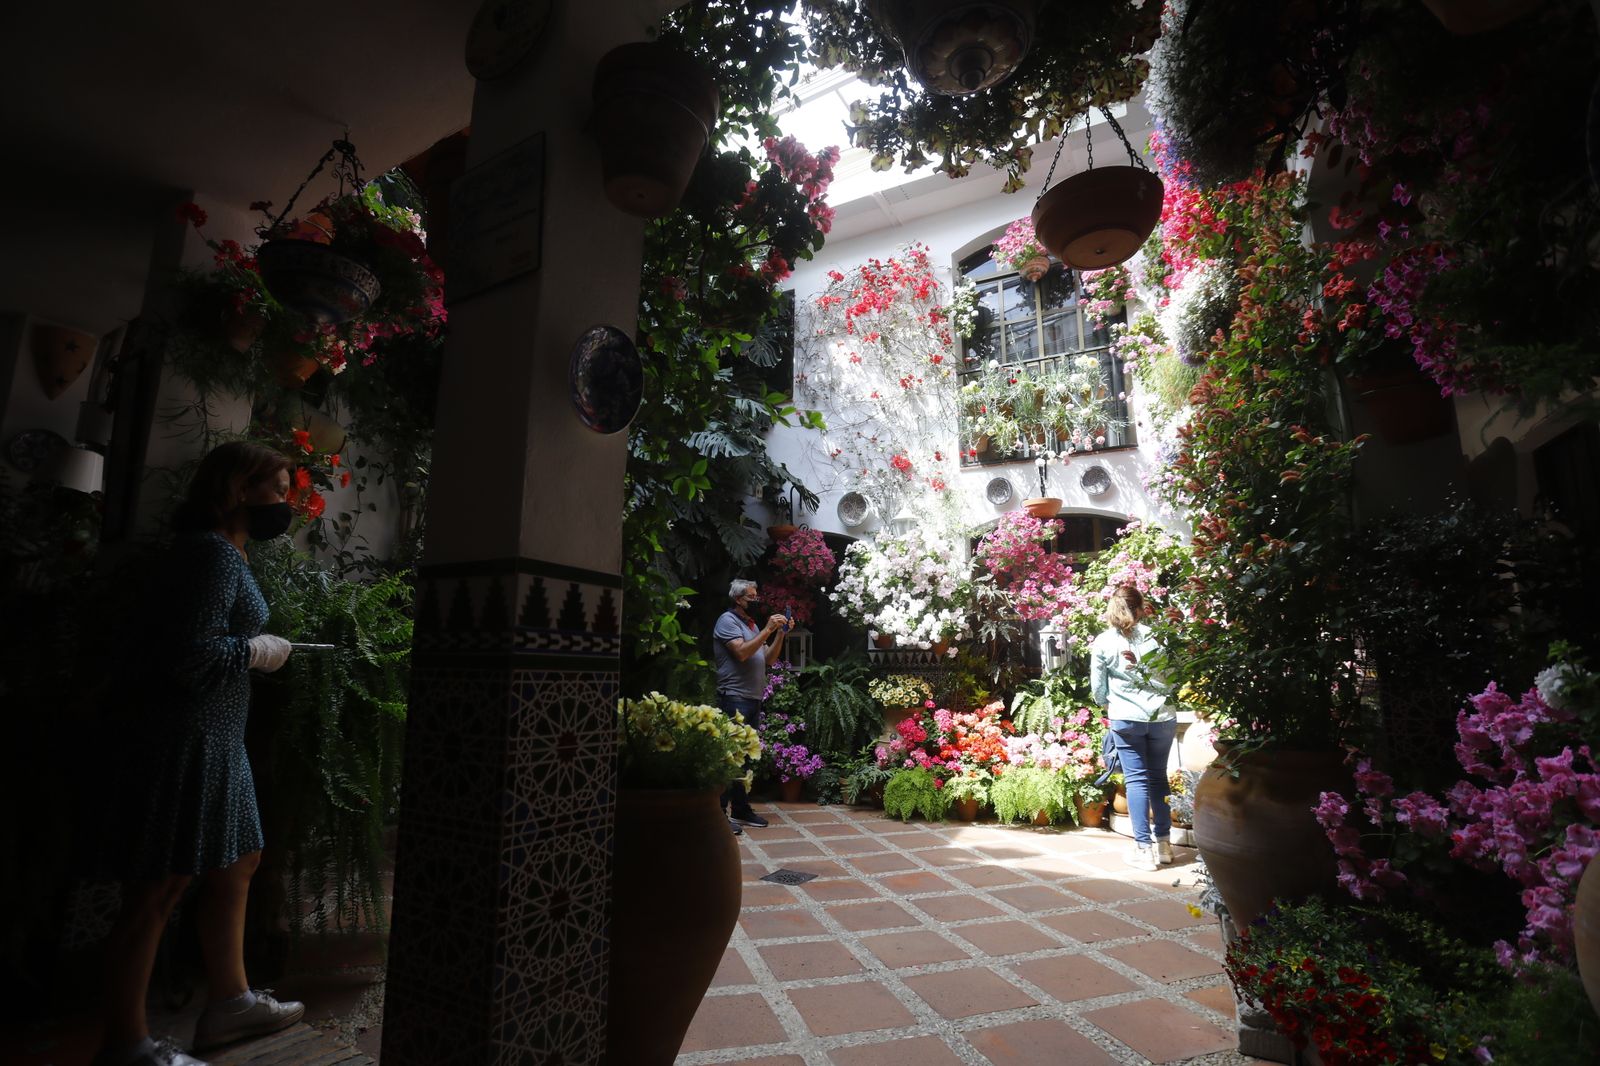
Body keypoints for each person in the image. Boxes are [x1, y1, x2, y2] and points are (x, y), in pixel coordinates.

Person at [92, 442, 307, 1066]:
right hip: (186, 737)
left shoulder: (225, 551)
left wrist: (251, 650)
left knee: (240, 859)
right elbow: (188, 655)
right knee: (159, 888)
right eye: (279, 487)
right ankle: (124, 1044)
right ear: (239, 488)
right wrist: (256, 651)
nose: (285, 502)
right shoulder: (209, 556)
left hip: (219, 735)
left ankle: (231, 1004)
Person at [1090, 584, 1177, 873]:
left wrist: (1108, 704)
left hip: (1126, 718)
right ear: (1140, 609)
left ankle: (1144, 850)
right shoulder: (1155, 637)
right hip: (1162, 716)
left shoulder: (1103, 642)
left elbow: (1097, 689)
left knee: (1137, 780)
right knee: (1158, 778)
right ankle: (1164, 845)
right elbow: (1173, 675)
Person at [713, 578, 789, 834]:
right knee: (730, 757)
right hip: (733, 697)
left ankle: (742, 809)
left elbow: (768, 659)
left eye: (757, 597)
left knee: (745, 758)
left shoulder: (751, 624)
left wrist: (780, 633)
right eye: (751, 598)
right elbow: (742, 653)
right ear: (738, 599)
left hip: (752, 698)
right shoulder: (727, 621)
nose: (756, 602)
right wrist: (767, 630)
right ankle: (719, 814)